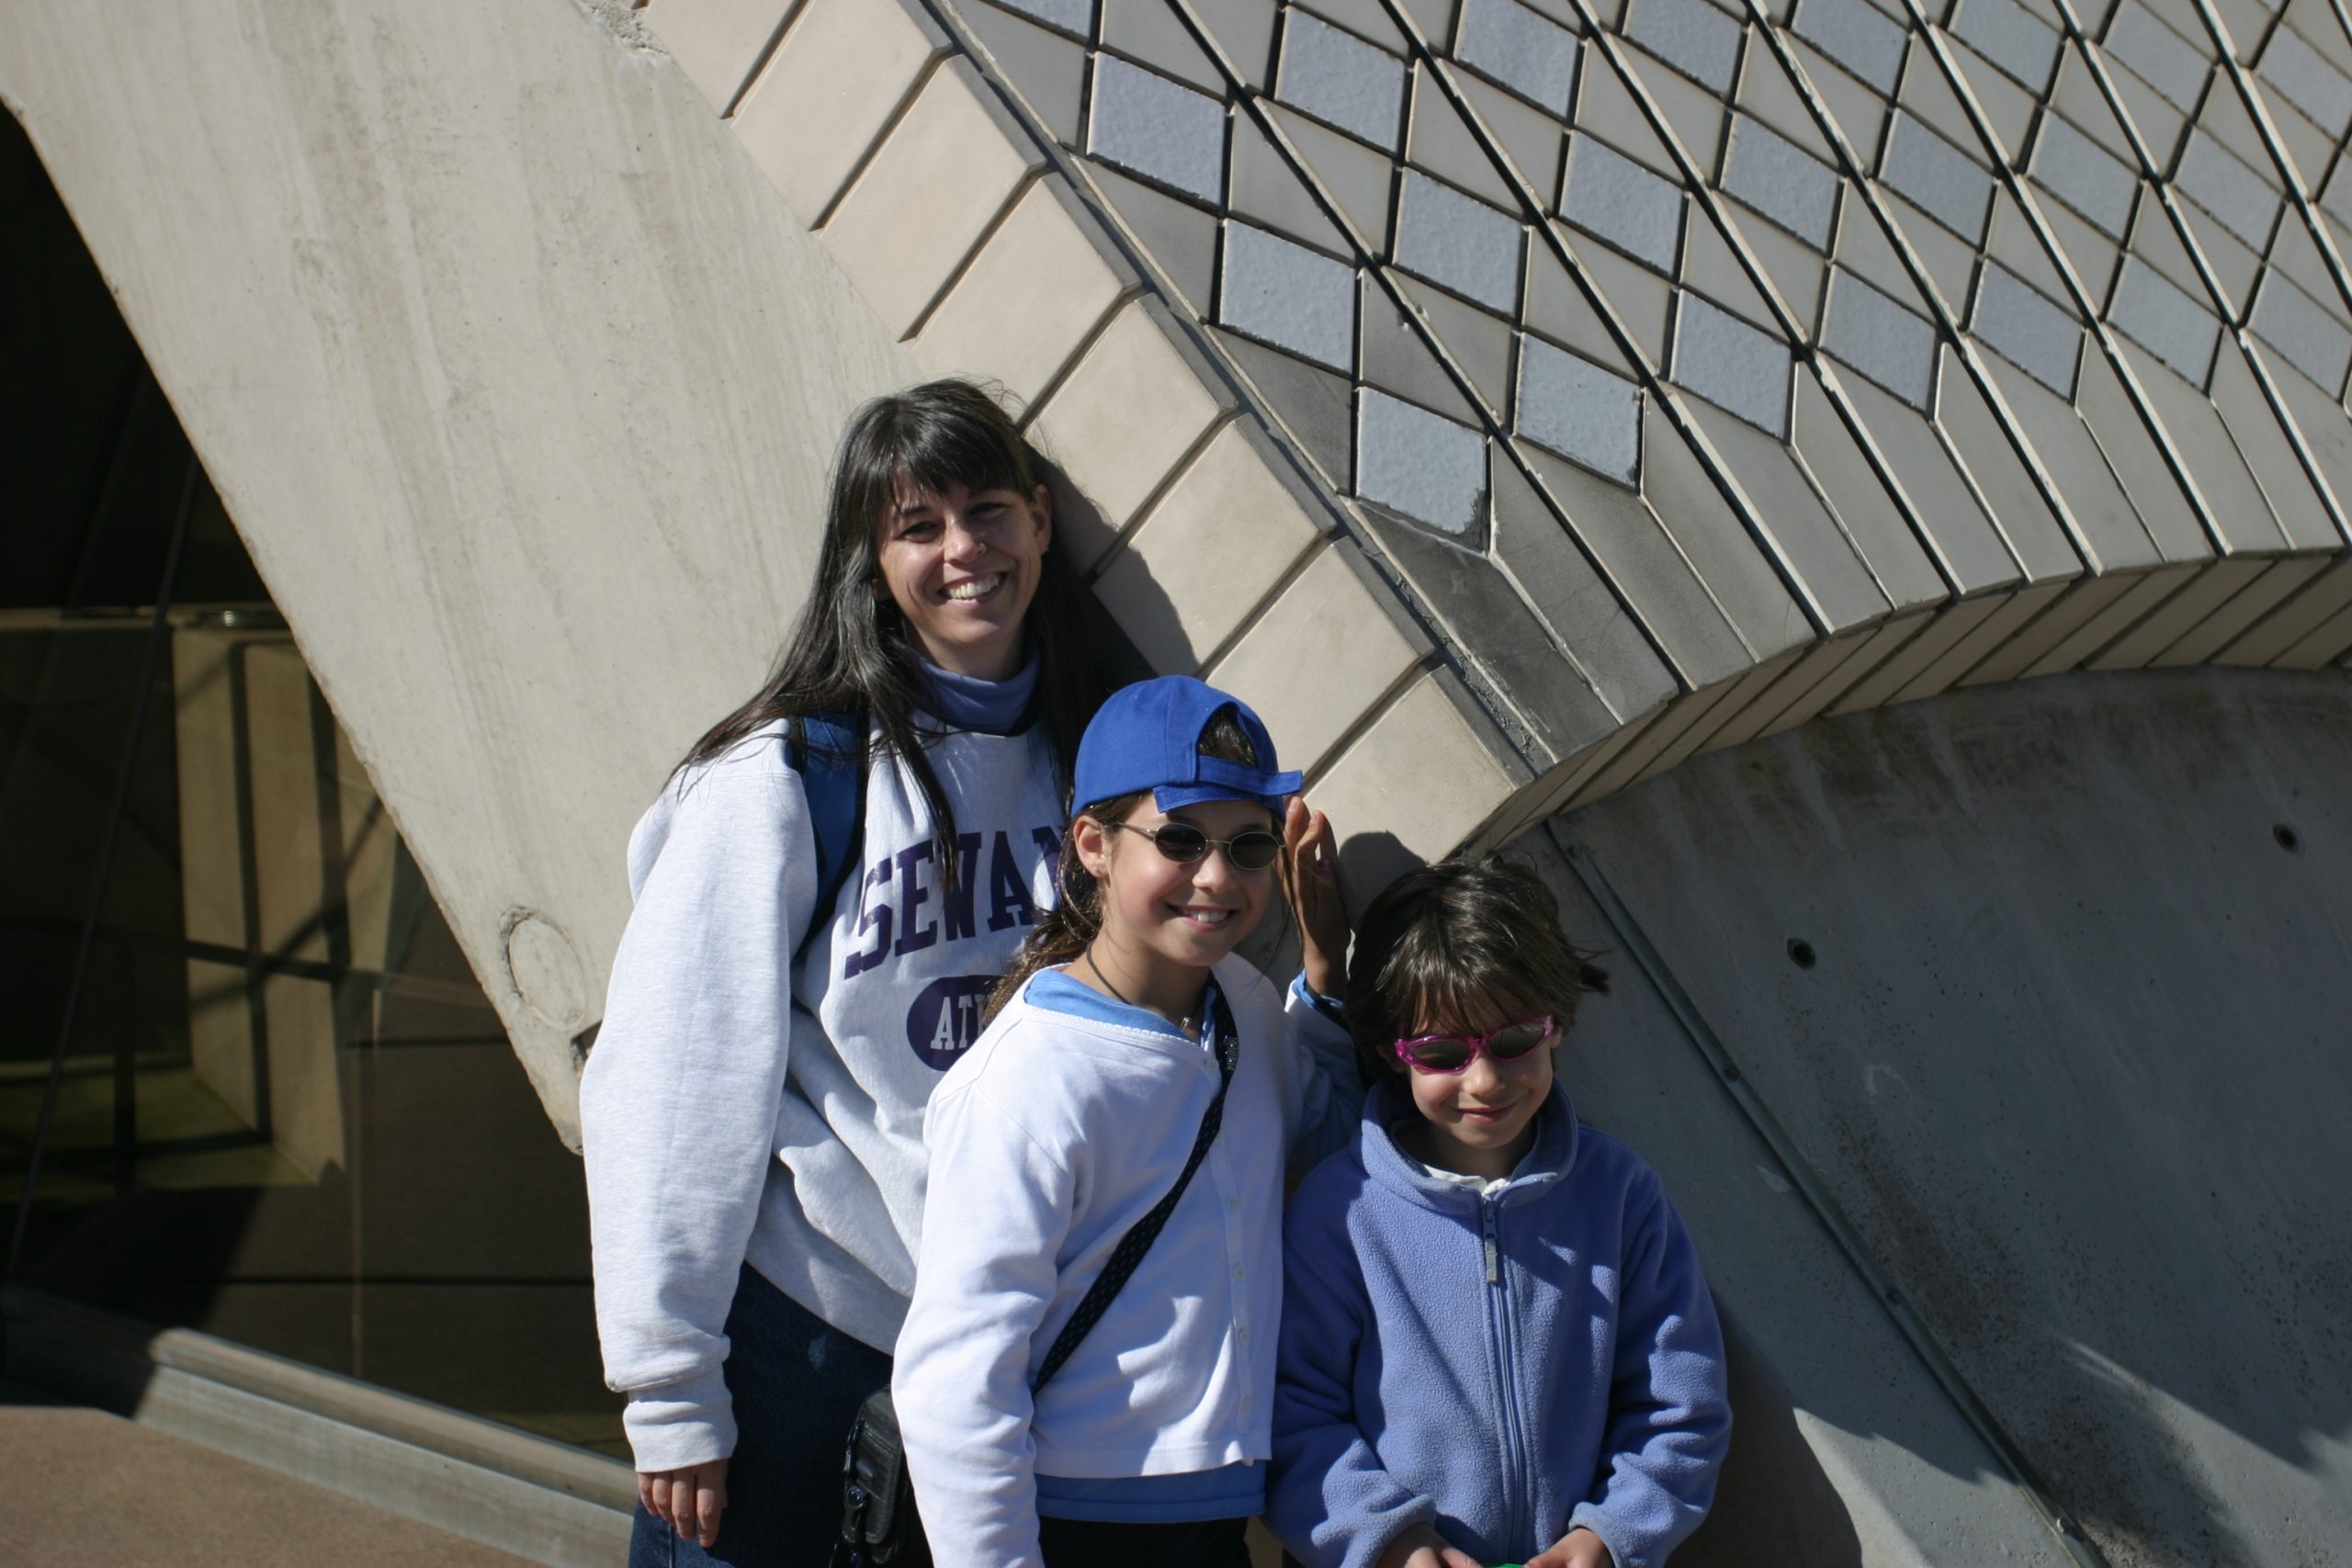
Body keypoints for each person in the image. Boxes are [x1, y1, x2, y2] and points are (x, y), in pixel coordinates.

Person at [580, 380, 1117, 1566]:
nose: (963, 550)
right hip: (811, 1339)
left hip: (1017, 1352)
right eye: (919, 525)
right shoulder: (787, 777)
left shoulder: (1104, 765)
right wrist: (671, 1387)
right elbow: (674, 1083)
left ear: (1038, 519)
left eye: (987, 511)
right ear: (872, 561)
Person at [891, 675, 1359, 1567]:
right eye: (1179, 839)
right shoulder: (1025, 1076)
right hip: (1071, 1529)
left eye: (1249, 845)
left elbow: (1331, 1141)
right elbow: (956, 1377)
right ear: (1094, 846)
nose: (1217, 877)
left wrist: (1328, 971)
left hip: (1222, 1523)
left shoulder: (1248, 1009)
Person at [1267, 854, 1731, 1568]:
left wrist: (1609, 1536)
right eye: (1443, 1051)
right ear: (1394, 1052)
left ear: (1557, 1026)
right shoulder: (1341, 1212)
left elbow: (1680, 1403)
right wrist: (1392, 1544)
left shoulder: (1620, 1193)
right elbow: (1293, 1415)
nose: (1484, 1079)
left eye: (1513, 1039)